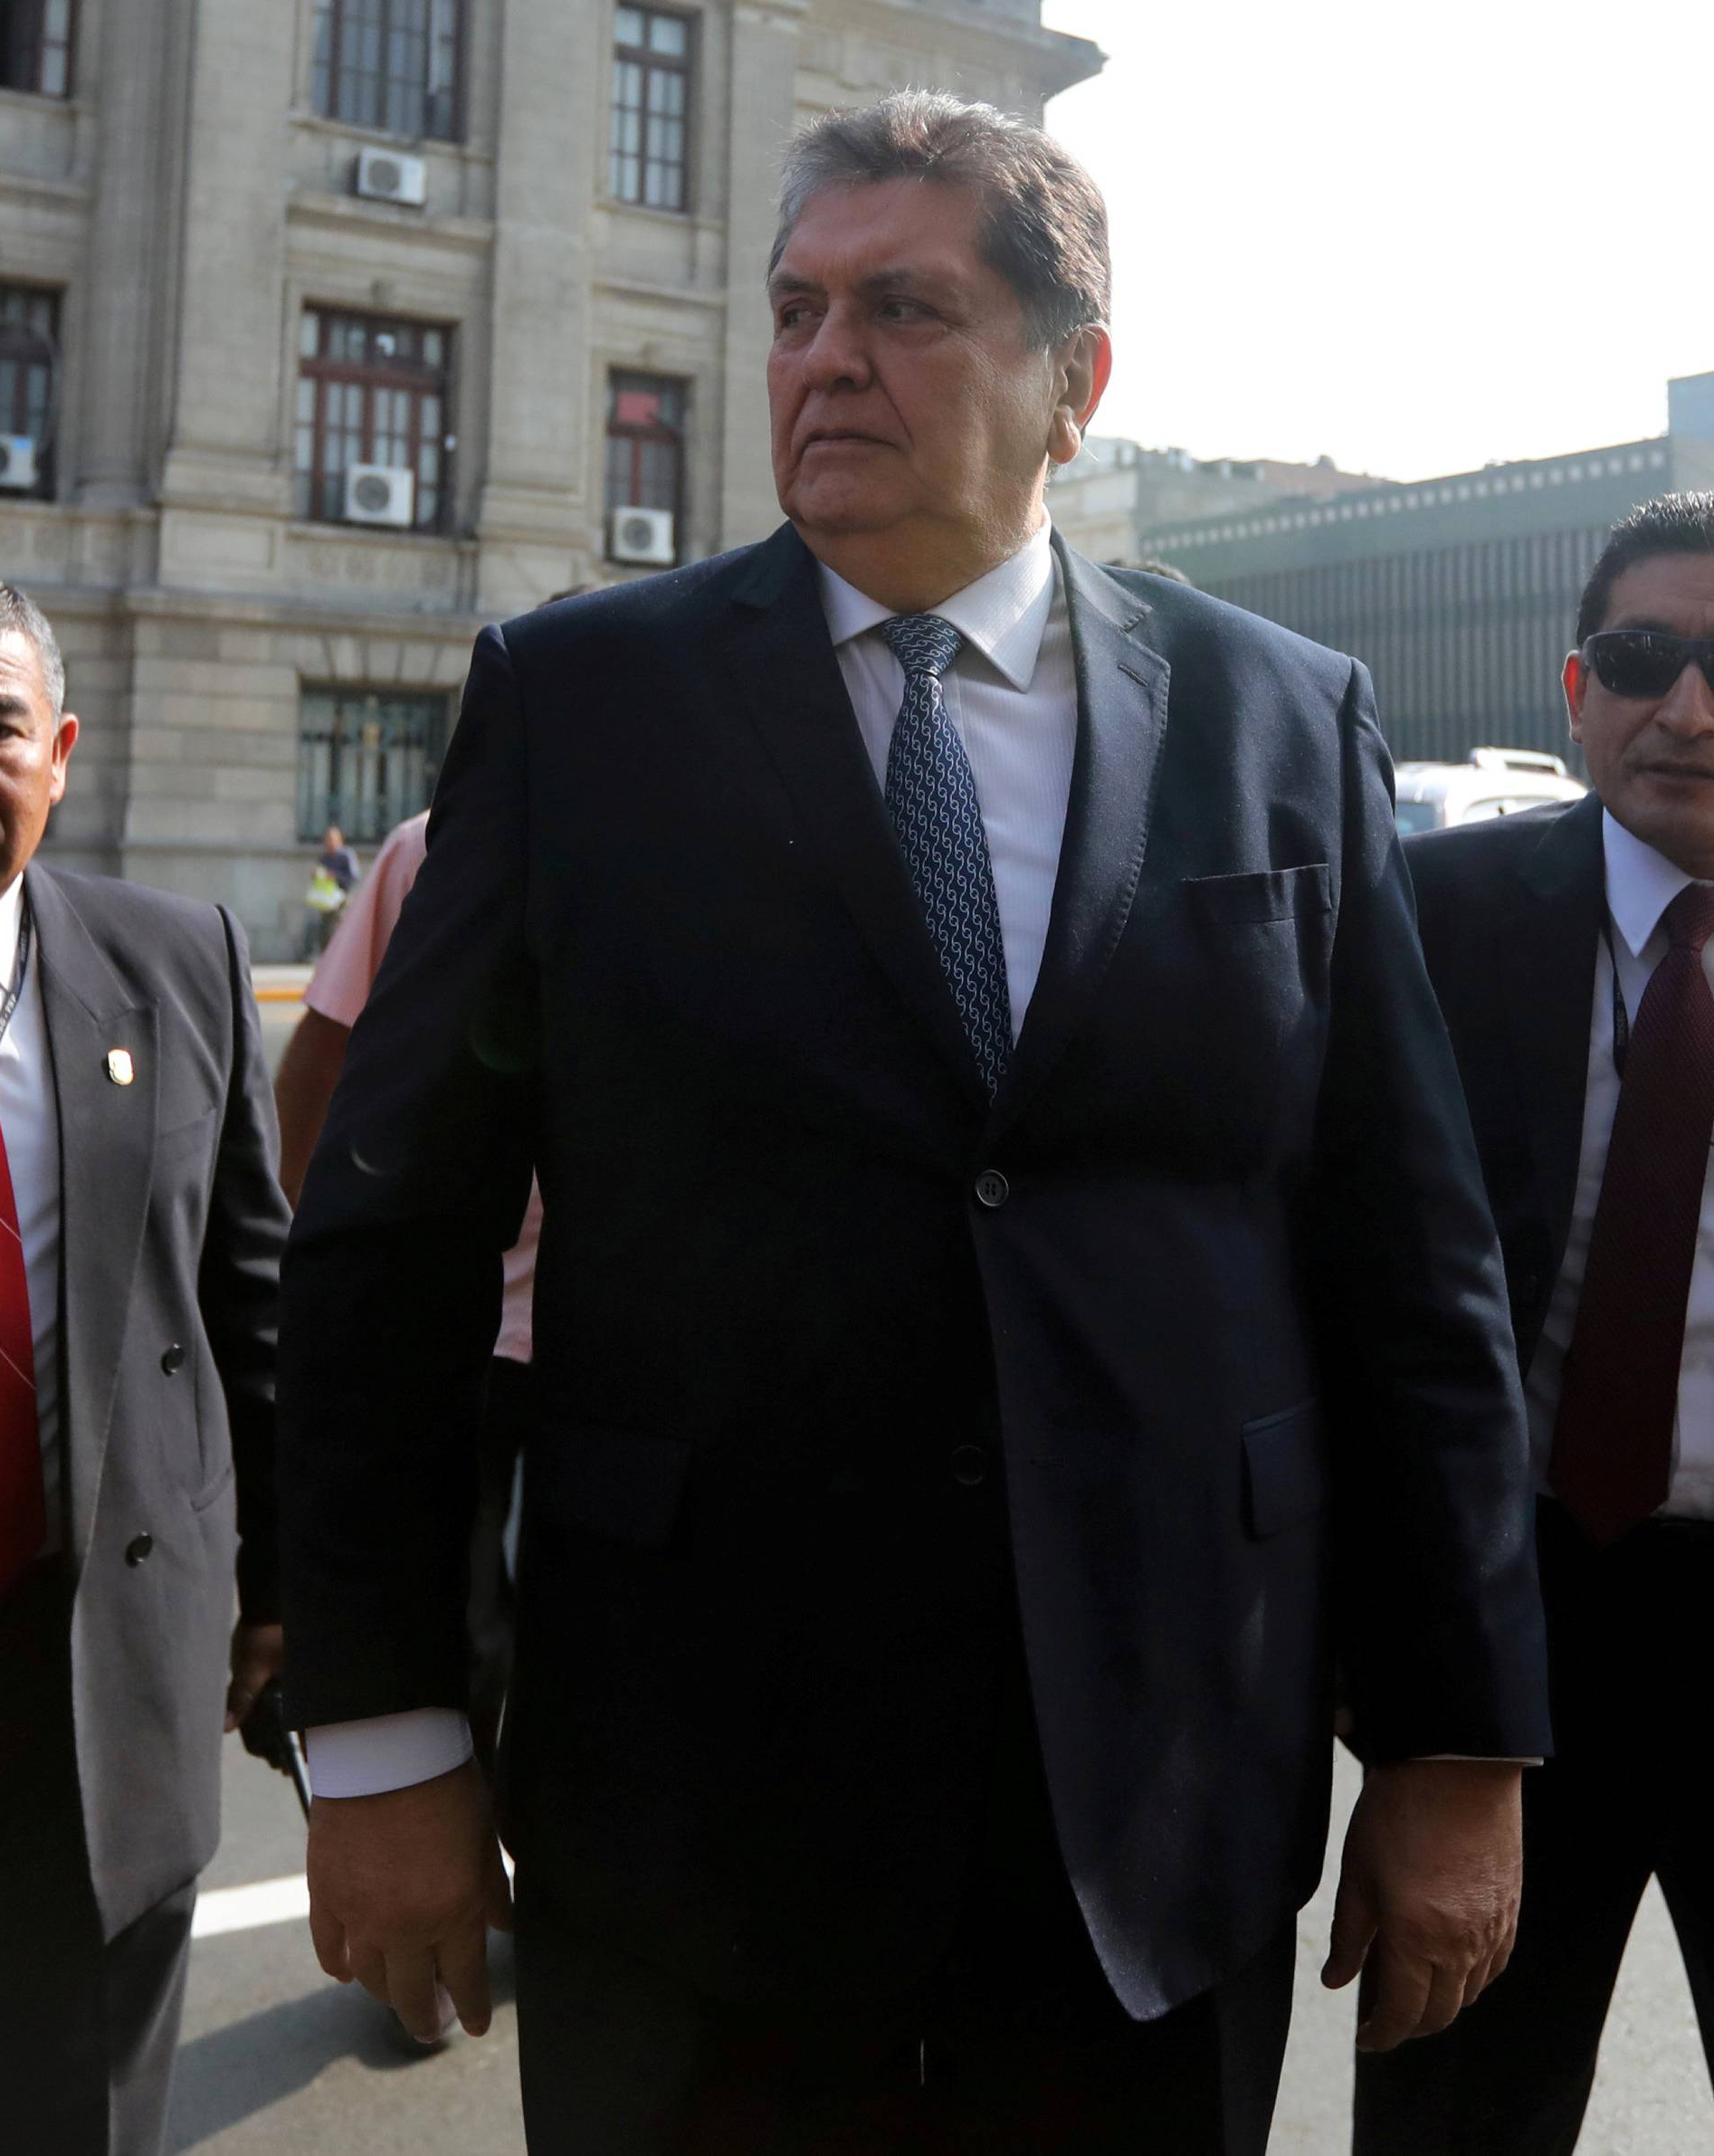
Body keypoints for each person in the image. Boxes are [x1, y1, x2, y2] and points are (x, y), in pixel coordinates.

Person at [277, 92, 1549, 2155]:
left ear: (1078, 382)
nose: (822, 359)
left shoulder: (1279, 717)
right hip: (698, 1816)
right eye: (793, 309)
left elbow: (1413, 1270)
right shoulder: (583, 709)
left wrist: (1456, 1744)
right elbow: (386, 1245)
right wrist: (382, 1727)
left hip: (1157, 1813)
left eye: (903, 307)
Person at [1354, 491, 1714, 2154]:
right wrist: (1411, 1704)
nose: (1690, 708)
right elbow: (1349, 1307)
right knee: (1459, 2119)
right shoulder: (1428, 919)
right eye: (1645, 658)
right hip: (1516, 1639)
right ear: (1575, 690)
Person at [0, 578, 288, 2153]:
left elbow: (255, 1299)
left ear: (61, 753)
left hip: (97, 1680)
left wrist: (290, 1596)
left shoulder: (180, 969)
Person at [274, 806, 541, 1772]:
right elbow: (319, 1067)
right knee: (453, 1645)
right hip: (463, 1341)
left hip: (634, 1345)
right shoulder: (436, 846)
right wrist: (341, 1276)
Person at [302, 822, 360, 956]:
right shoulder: (325, 857)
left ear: (339, 840)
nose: (330, 843)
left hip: (342, 898)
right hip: (326, 900)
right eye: (327, 840)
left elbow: (353, 877)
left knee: (339, 928)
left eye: (332, 840)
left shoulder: (346, 855)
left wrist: (335, 876)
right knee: (325, 930)